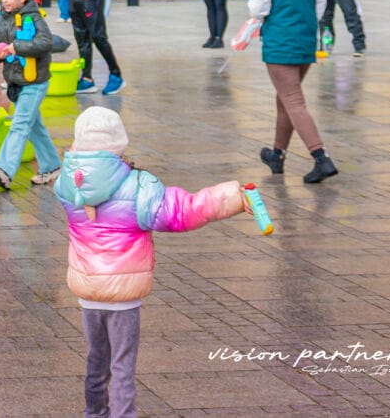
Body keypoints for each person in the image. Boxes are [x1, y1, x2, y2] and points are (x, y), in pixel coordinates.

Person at [54, 107, 249, 418]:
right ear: (118, 142)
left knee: (96, 359)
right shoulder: (138, 185)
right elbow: (183, 211)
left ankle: (94, 413)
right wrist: (232, 197)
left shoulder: (66, 183)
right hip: (124, 294)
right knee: (122, 365)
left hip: (87, 290)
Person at [248, 0, 337, 184]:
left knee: (294, 101)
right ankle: (277, 154)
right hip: (306, 41)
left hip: (279, 42)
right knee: (285, 98)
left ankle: (321, 157)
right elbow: (320, 8)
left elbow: (258, 8)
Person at [0, 0, 63, 191]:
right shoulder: (3, 19)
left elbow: (46, 43)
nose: (5, 1)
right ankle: (52, 166)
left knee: (20, 125)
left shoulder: (34, 18)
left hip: (35, 81)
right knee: (34, 127)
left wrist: (16, 47)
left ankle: (4, 170)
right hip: (16, 82)